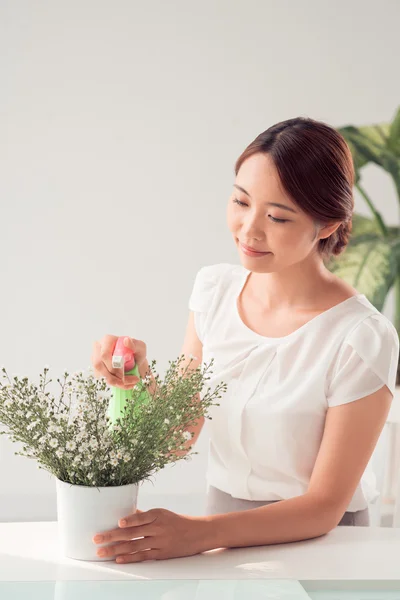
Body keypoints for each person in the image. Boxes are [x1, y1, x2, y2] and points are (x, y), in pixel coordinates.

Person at [91, 117, 399, 559]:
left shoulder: (361, 338)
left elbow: (324, 506)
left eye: (276, 216)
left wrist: (200, 534)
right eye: (240, 201)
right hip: (222, 528)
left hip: (322, 544)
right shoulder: (214, 292)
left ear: (328, 225)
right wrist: (134, 377)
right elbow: (180, 432)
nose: (249, 230)